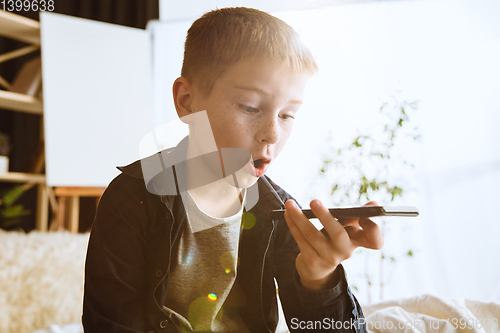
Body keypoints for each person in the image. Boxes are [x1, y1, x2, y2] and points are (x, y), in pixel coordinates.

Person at [82, 7, 383, 333]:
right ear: (186, 101)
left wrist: (319, 278)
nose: (272, 134)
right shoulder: (132, 199)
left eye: (287, 115)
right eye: (250, 107)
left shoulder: (280, 213)